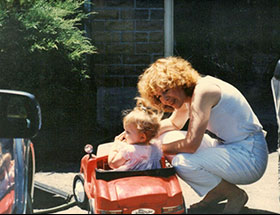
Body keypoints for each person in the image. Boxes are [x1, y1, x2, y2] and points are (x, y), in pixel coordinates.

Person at [137, 56, 269, 213]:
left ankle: (234, 194)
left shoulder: (204, 92)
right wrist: (139, 136)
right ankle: (217, 191)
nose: (164, 100)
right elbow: (173, 124)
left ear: (178, 81)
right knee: (167, 136)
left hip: (250, 156)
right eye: (159, 96)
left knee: (183, 161)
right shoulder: (191, 93)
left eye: (166, 90)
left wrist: (153, 149)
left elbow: (191, 145)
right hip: (230, 147)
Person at [107, 100, 163, 171]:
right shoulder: (156, 147)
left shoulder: (129, 150)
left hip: (128, 180)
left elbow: (112, 163)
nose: (124, 134)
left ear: (142, 137)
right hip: (151, 178)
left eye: (128, 132)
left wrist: (115, 145)